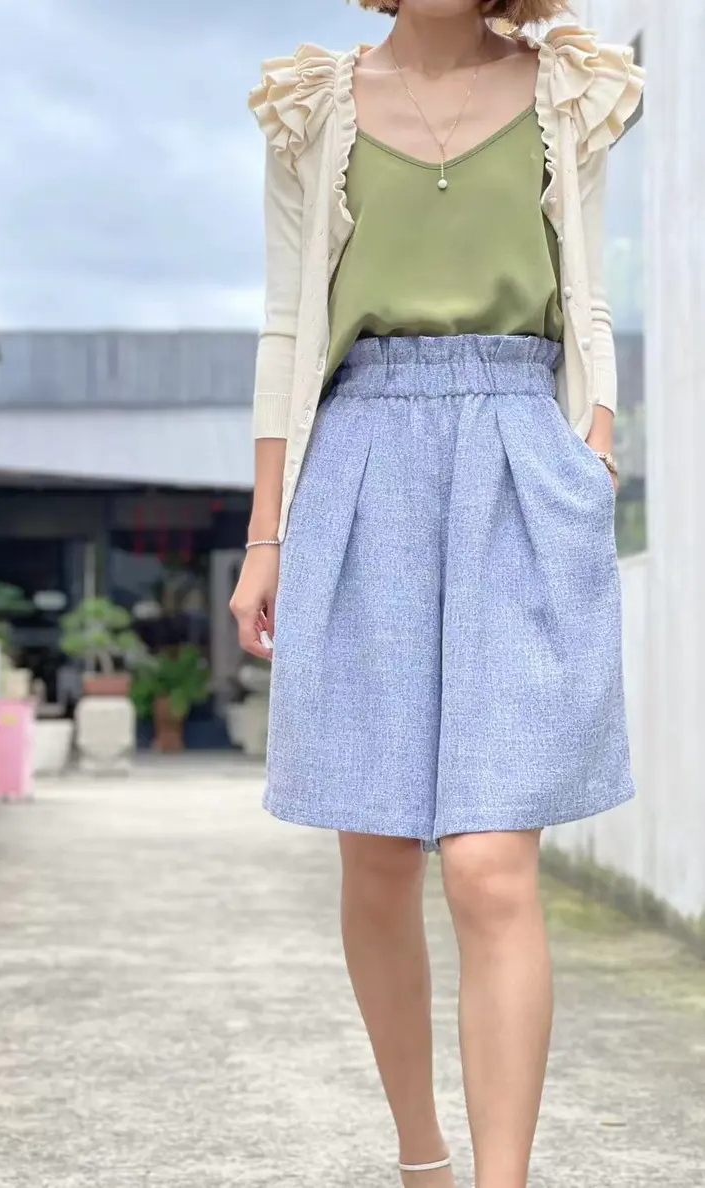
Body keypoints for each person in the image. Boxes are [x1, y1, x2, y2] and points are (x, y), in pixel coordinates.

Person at [229, 2, 644, 1186]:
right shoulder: (314, 109)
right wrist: (265, 533)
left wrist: (594, 442)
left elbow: (589, 295)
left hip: (520, 448)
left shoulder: (569, 90)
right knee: (376, 857)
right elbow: (285, 328)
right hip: (362, 455)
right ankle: (424, 1158)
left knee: (488, 862)